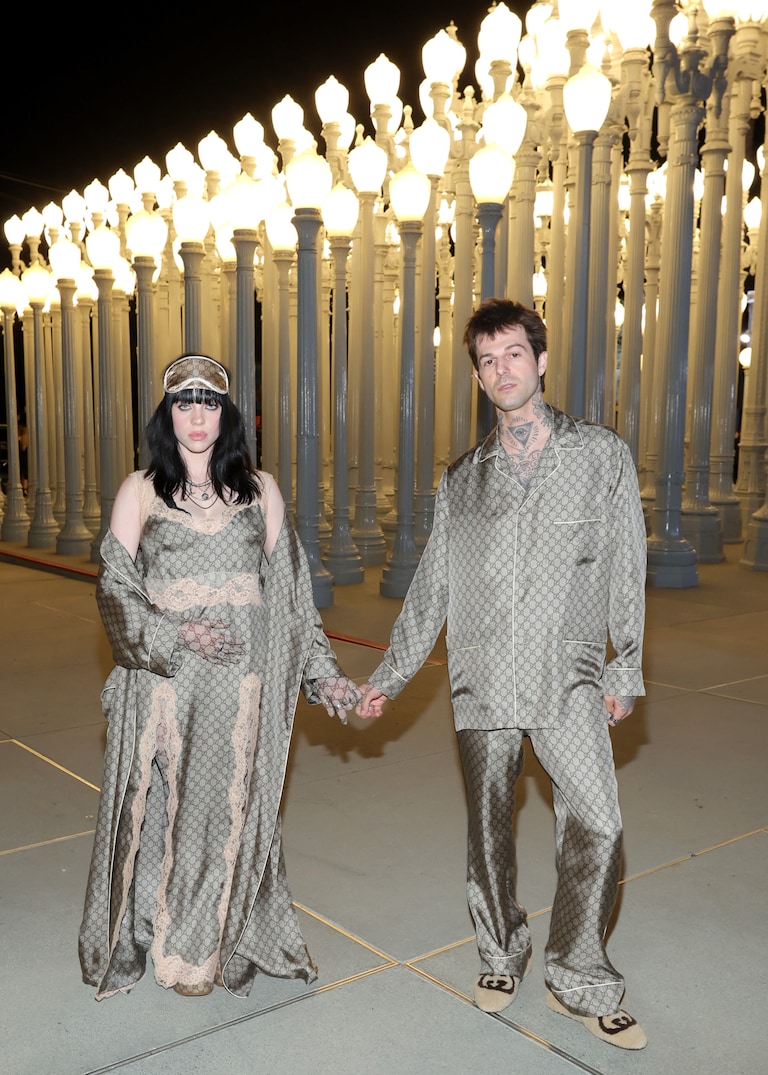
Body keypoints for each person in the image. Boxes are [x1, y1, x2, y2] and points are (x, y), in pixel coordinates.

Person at [357, 299, 648, 1050]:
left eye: (513, 353)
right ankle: (500, 949)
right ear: (478, 376)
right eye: (486, 361)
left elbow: (626, 563)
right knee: (489, 835)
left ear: (541, 361)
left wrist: (628, 660)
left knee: (599, 821)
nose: (501, 370)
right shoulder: (463, 481)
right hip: (483, 675)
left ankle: (578, 971)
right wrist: (389, 675)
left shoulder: (600, 455)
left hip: (570, 672)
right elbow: (432, 588)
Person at [79, 354, 360, 1000]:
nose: (198, 414)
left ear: (227, 414)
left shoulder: (259, 491)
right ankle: (146, 924)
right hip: (162, 680)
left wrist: (325, 676)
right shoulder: (140, 490)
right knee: (150, 815)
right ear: (167, 413)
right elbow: (115, 588)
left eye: (210, 402)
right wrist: (176, 633)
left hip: (236, 684)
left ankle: (192, 951)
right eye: (185, 402)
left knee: (213, 813)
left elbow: (290, 599)